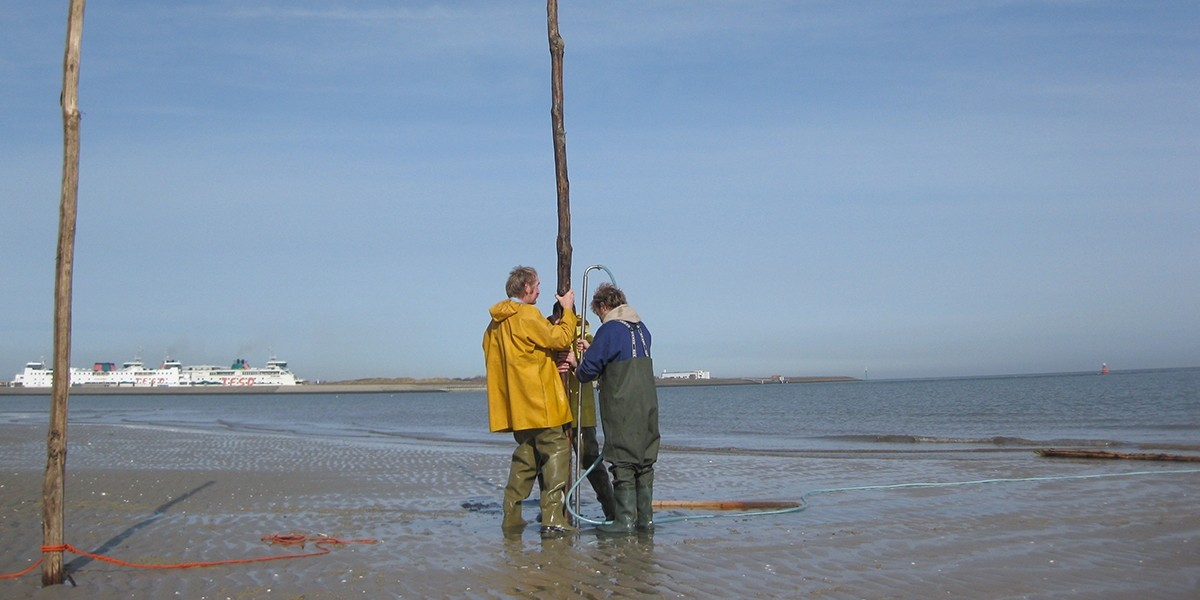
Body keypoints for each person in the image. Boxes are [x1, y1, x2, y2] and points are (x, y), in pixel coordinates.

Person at [483, 266, 577, 537]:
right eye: (537, 285)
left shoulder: (496, 323)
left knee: (525, 457)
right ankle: (552, 517)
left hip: (518, 406)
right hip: (540, 401)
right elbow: (559, 339)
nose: (539, 289)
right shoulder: (526, 314)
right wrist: (568, 311)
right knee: (557, 451)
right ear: (526, 288)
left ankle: (511, 515)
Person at [569, 283, 660, 534]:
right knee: (644, 461)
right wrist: (595, 350)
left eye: (598, 313)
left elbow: (586, 373)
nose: (600, 318)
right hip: (648, 406)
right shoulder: (643, 329)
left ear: (603, 306)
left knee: (623, 462)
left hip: (622, 405)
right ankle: (645, 521)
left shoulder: (609, 329)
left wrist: (577, 362)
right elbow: (617, 354)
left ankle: (624, 522)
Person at [552, 318, 616, 524]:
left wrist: (577, 362)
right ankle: (556, 512)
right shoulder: (548, 335)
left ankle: (611, 510)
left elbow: (597, 371)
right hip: (554, 414)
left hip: (582, 414)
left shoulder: (586, 340)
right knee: (553, 465)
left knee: (591, 462)